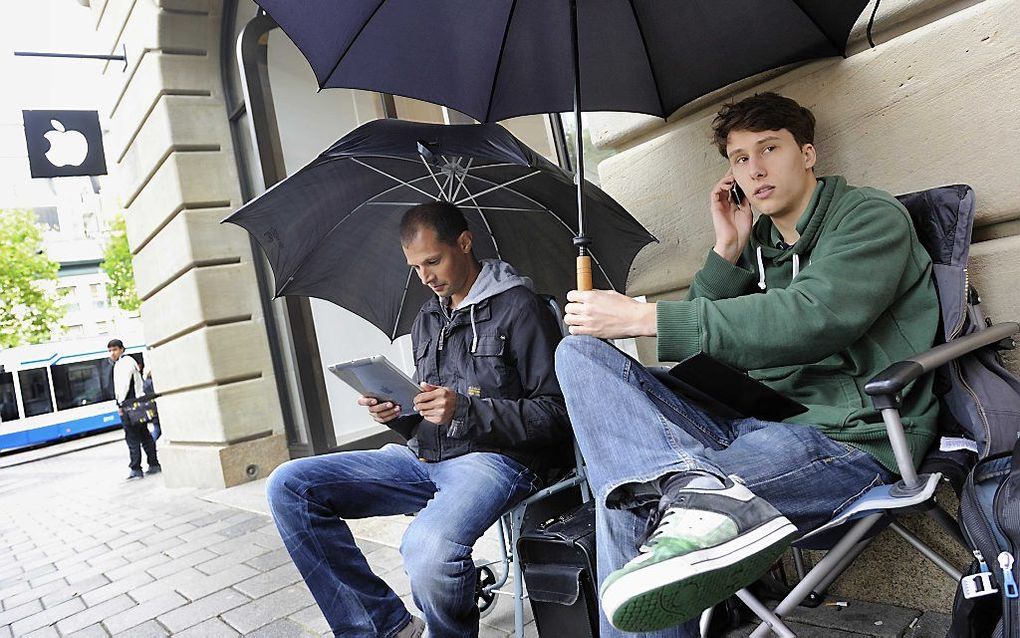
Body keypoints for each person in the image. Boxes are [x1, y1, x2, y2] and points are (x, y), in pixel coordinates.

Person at [557, 92, 939, 635]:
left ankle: (684, 495)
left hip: (842, 440)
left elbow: (813, 318)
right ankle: (685, 490)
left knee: (627, 509)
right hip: (755, 423)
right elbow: (701, 347)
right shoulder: (762, 244)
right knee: (580, 355)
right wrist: (727, 249)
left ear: (807, 154)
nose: (755, 169)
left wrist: (647, 317)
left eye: (769, 148)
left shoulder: (869, 217)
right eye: (740, 158)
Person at [266, 201, 572, 637]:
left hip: (497, 462)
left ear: (464, 244)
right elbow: (426, 408)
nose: (426, 277)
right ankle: (384, 628)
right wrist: (397, 412)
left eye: (433, 261)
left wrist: (465, 410)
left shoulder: (520, 309)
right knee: (290, 485)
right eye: (415, 267)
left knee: (427, 551)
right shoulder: (428, 317)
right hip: (423, 456)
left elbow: (557, 413)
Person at [108, 339, 160, 480]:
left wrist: (120, 404)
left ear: (122, 349)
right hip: (135, 405)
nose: (112, 353)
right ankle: (153, 464)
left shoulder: (124, 363)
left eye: (115, 349)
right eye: (110, 350)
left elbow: (123, 386)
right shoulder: (124, 362)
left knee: (132, 438)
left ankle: (136, 469)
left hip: (129, 406)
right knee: (144, 435)